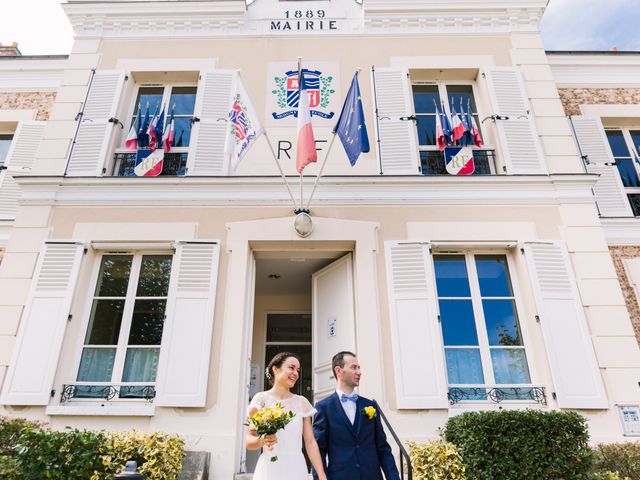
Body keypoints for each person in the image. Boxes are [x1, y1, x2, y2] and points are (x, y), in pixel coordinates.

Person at [312, 351, 400, 480]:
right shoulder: (323, 407)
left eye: (359, 367)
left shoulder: (370, 405)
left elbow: (383, 448)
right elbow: (318, 450)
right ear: (338, 370)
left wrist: (393, 477)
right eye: (354, 367)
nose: (359, 372)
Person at [246, 352, 328, 480]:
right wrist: (262, 440)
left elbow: (310, 442)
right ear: (275, 369)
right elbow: (248, 441)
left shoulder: (302, 402)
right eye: (291, 367)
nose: (296, 373)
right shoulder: (261, 399)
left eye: (298, 370)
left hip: (296, 467)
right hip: (269, 467)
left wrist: (322, 475)